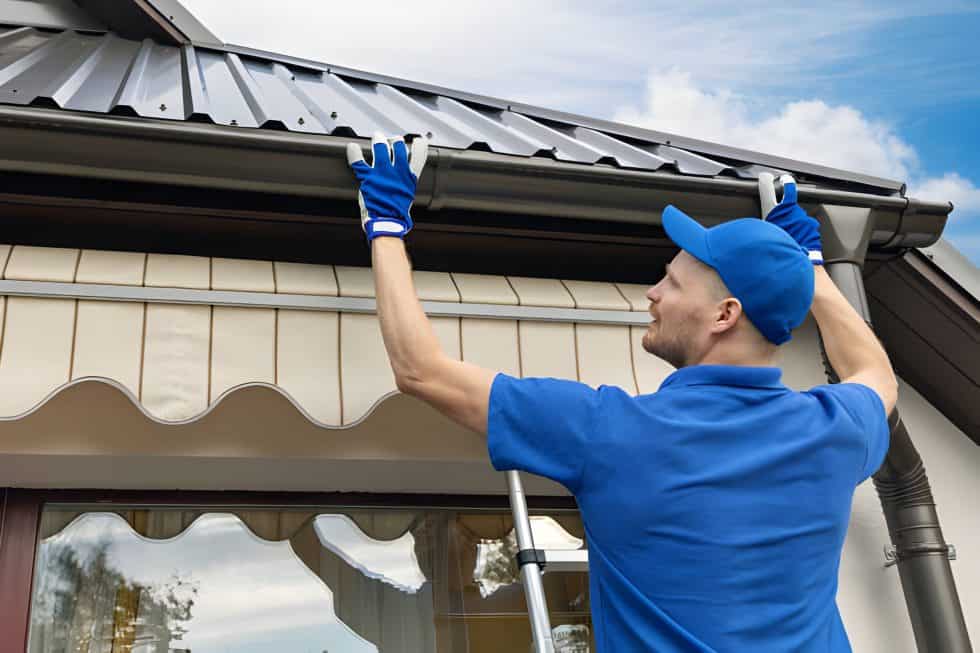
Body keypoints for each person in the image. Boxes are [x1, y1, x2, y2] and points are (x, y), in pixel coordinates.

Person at [346, 133, 895, 652]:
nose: (653, 294)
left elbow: (421, 371)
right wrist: (809, 270)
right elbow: (875, 372)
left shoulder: (612, 433)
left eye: (673, 283)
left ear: (725, 315)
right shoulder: (833, 430)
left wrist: (388, 228)